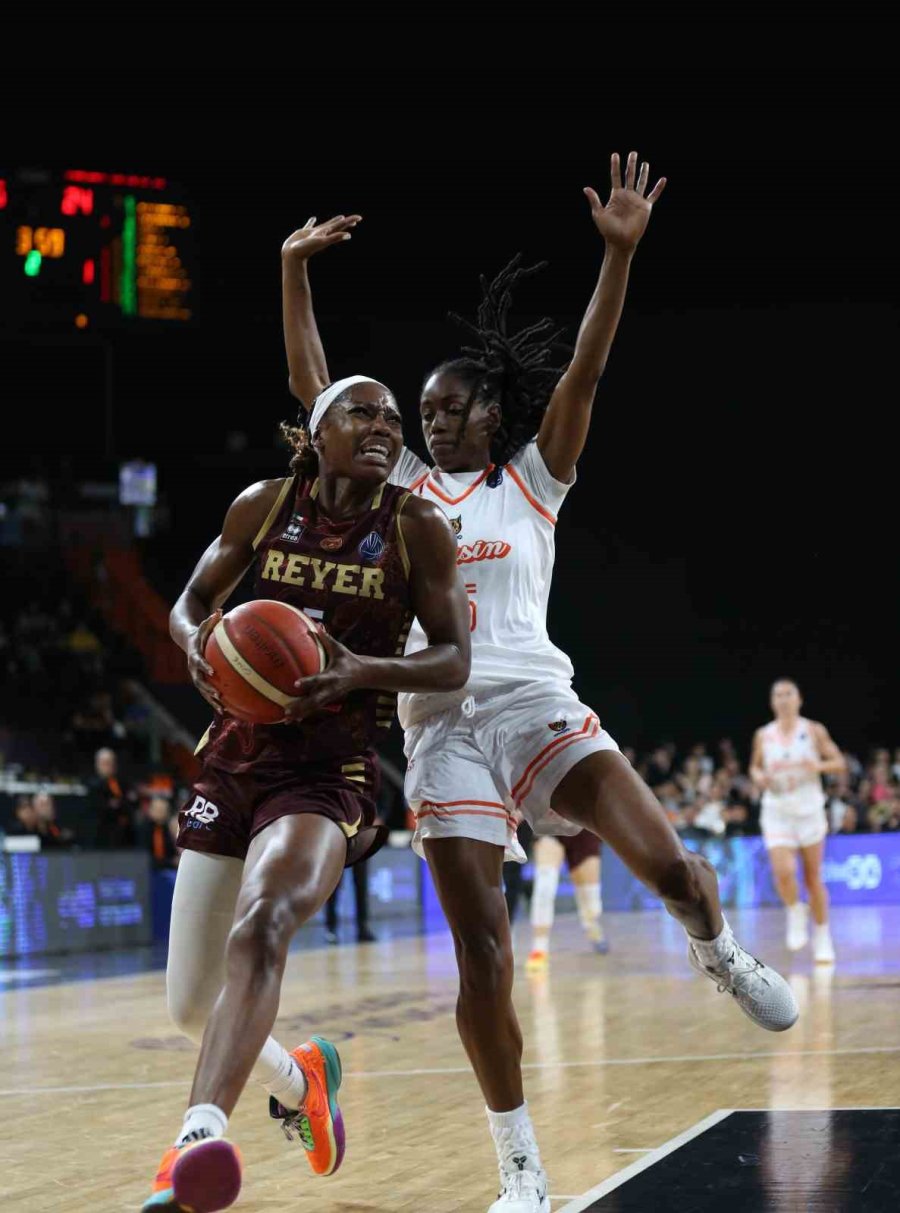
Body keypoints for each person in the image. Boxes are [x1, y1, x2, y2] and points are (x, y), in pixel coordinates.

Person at [283, 153, 798, 1213]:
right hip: (442, 728)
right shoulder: (407, 493)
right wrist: (293, 273)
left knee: (673, 871)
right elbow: (316, 391)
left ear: (490, 413)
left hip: (540, 706)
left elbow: (587, 372)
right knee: (484, 955)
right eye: (419, 411)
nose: (429, 422)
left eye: (448, 408)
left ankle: (719, 949)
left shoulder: (531, 478)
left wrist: (617, 255)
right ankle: (520, 1163)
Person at [141, 375, 469, 1212]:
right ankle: (302, 1078)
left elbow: (452, 660)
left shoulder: (415, 523)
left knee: (264, 921)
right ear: (316, 432)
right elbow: (189, 603)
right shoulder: (263, 503)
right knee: (188, 1004)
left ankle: (198, 1133)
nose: (385, 427)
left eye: (395, 420)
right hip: (235, 759)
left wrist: (359, 671)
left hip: (329, 771)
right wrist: (201, 646)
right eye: (363, 412)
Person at [750, 679, 845, 964]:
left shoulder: (813, 730)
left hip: (808, 810)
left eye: (788, 694)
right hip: (777, 809)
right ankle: (794, 910)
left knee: (813, 878)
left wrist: (819, 766)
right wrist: (758, 777)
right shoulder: (763, 735)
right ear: (772, 702)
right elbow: (754, 766)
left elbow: (839, 762)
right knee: (783, 871)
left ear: (799, 699)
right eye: (778, 695)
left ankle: (822, 935)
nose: (783, 699)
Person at [525, 830, 608, 970]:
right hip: (551, 824)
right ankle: (539, 949)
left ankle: (592, 927)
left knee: (591, 900)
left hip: (583, 828)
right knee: (544, 887)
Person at [87, 747, 134, 848]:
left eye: (111, 762)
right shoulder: (93, 784)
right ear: (97, 764)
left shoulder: (122, 782)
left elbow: (129, 801)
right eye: (105, 763)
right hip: (102, 831)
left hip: (124, 831)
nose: (109, 766)